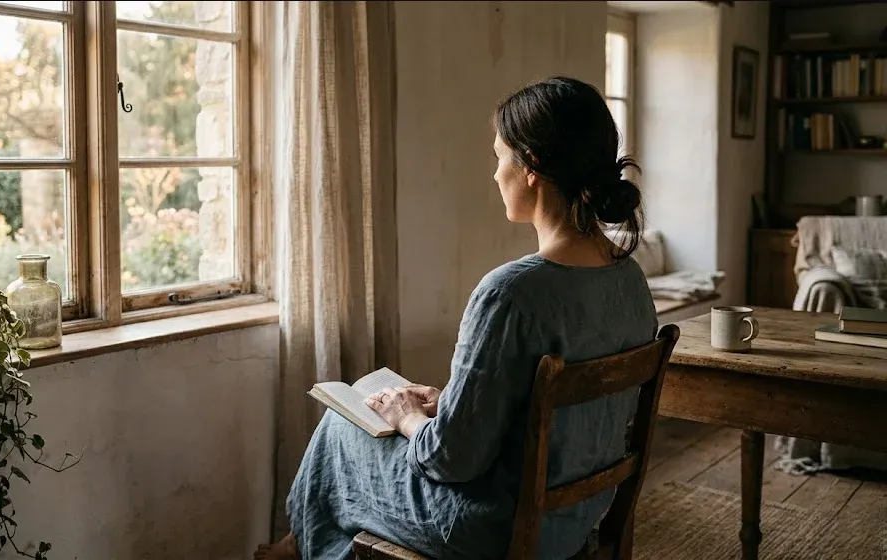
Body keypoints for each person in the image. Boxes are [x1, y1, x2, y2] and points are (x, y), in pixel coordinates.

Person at [256, 76, 658, 560]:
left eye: (498, 157)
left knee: (341, 429)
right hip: (577, 517)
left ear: (530, 166)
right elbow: (555, 413)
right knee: (365, 417)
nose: (494, 174)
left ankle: (293, 549)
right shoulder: (629, 279)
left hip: (493, 530)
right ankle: (296, 548)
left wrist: (407, 416)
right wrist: (448, 400)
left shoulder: (511, 294)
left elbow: (449, 459)